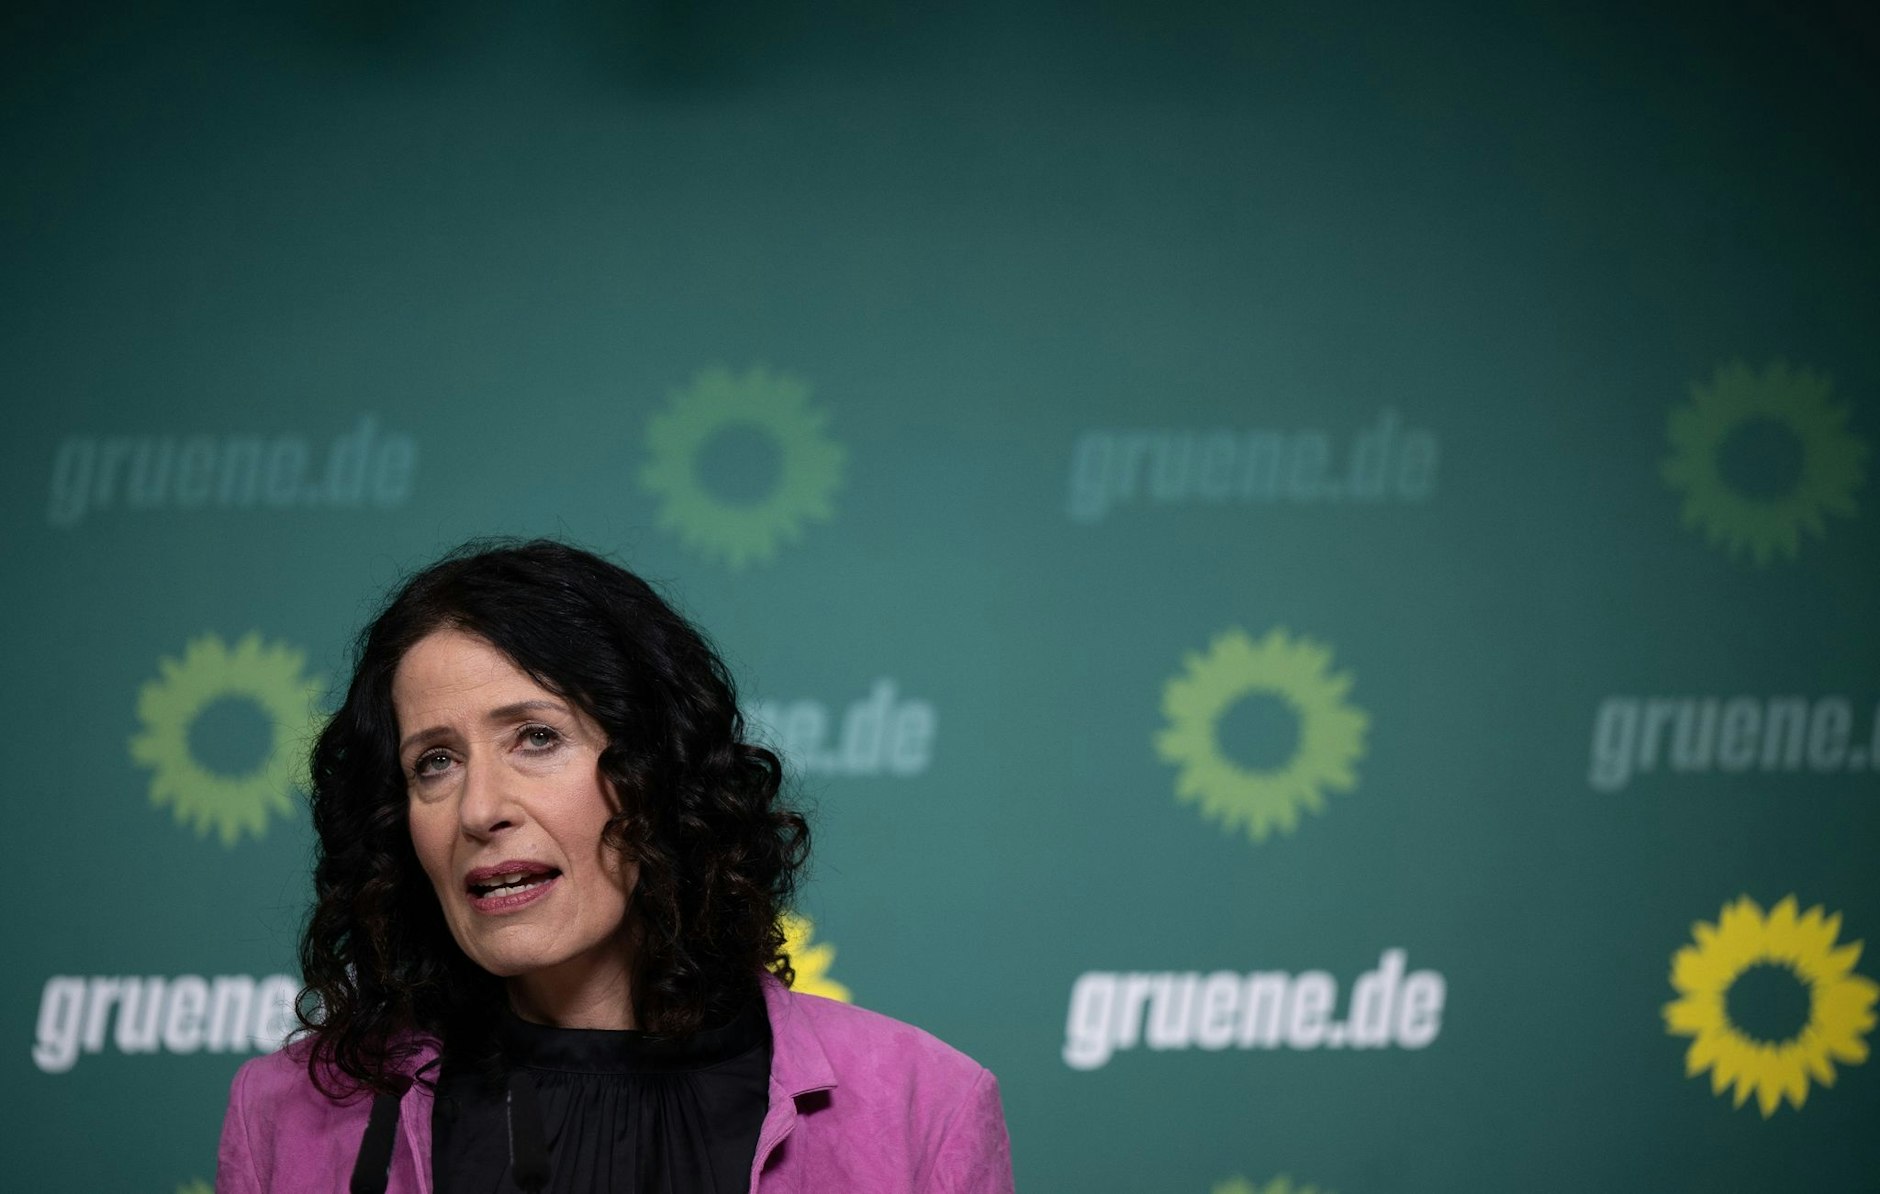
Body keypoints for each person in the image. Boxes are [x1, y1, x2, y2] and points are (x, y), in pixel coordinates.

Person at [217, 539, 1014, 1193]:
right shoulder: (283, 1116)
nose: (478, 809)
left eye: (536, 738)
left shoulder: (924, 1108)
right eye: (435, 762)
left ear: (655, 772)